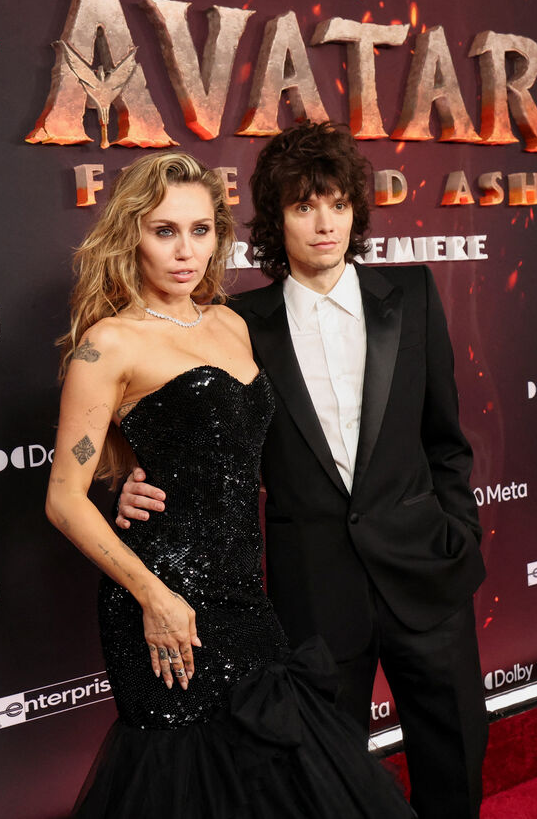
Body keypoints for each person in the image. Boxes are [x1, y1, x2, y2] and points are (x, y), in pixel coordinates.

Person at [117, 122, 488, 818]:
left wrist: (458, 534)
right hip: (313, 590)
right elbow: (190, 426)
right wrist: (129, 478)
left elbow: (445, 440)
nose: (325, 223)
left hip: (426, 571)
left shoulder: (411, 296)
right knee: (322, 786)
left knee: (454, 758)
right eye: (304, 205)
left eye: (339, 203)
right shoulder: (235, 322)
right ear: (274, 219)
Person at [44, 150, 415, 818]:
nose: (185, 250)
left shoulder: (231, 323)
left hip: (245, 596)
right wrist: (154, 596)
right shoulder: (109, 344)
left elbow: (222, 450)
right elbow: (64, 497)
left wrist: (135, 474)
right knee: (187, 784)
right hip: (163, 595)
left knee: (268, 777)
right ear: (132, 235)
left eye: (200, 229)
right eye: (164, 231)